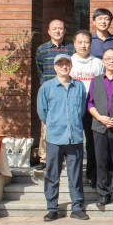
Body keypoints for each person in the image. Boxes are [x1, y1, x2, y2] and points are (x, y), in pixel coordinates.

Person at [37, 54, 89, 222]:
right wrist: (55, 124)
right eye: (60, 64)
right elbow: (42, 112)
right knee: (52, 174)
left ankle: (77, 207)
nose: (64, 66)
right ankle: (52, 208)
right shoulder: (46, 87)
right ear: (55, 67)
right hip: (55, 138)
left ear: (71, 66)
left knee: (75, 175)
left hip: (75, 138)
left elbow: (82, 110)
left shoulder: (79, 86)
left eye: (67, 63)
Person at [86, 48, 113, 208]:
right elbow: (90, 103)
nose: (111, 61)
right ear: (103, 61)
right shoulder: (96, 80)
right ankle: (103, 193)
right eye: (108, 58)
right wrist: (100, 117)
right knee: (101, 161)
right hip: (100, 126)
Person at [34, 19, 75, 170]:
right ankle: (44, 158)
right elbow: (40, 69)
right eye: (54, 28)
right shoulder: (42, 50)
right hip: (49, 91)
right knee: (46, 125)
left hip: (67, 90)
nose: (57, 31)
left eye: (60, 28)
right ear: (49, 32)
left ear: (64, 31)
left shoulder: (71, 49)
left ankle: (66, 157)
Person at [70, 30, 105, 188]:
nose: (83, 45)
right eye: (80, 42)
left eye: (86, 42)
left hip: (92, 108)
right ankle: (74, 175)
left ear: (91, 44)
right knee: (74, 142)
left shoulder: (97, 63)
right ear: (74, 43)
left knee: (92, 142)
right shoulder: (69, 62)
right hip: (73, 108)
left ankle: (92, 175)